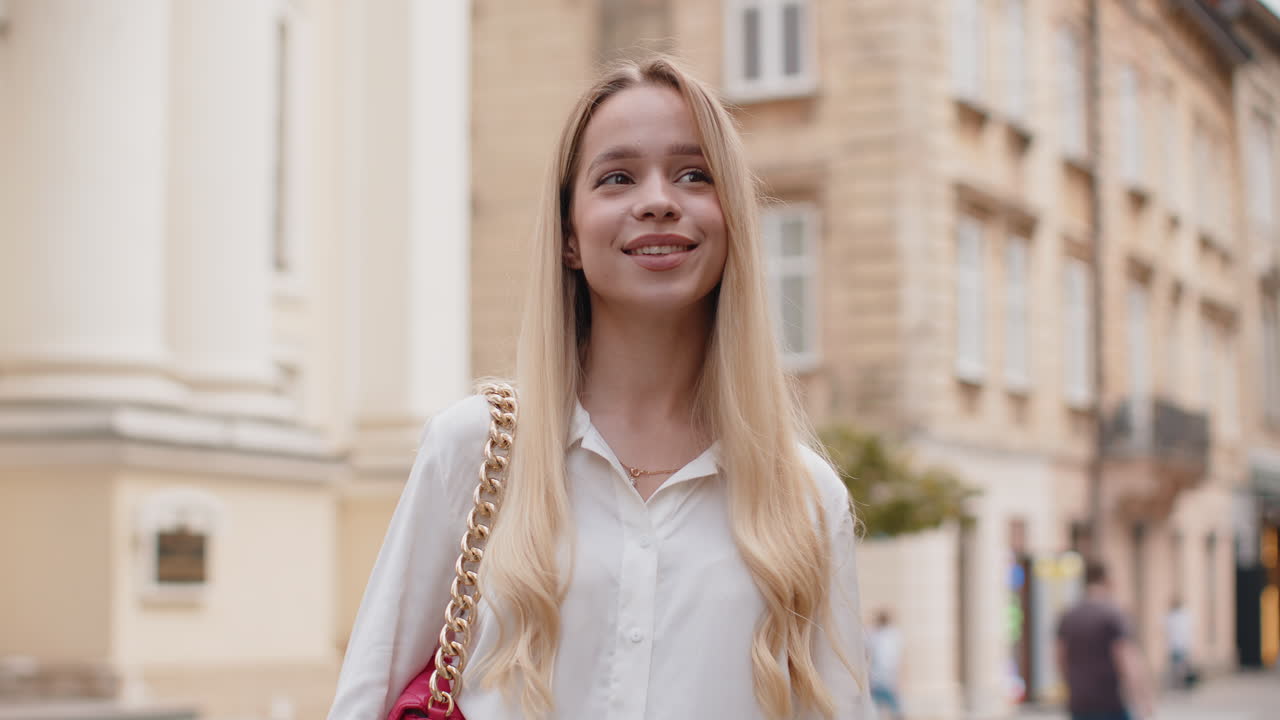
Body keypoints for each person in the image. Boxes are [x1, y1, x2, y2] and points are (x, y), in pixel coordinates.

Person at [327, 55, 870, 720]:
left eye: (694, 175)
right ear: (569, 238)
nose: (658, 200)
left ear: (732, 221)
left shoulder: (808, 500)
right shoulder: (476, 449)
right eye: (617, 177)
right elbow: (364, 696)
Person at [1056, 562, 1155, 720]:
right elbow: (1126, 659)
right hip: (1110, 702)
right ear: (1106, 580)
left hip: (1079, 702)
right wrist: (1142, 699)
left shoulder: (1069, 615)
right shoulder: (1113, 614)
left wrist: (1072, 686)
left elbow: (1060, 658)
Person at [867, 610, 903, 720]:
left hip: (886, 675)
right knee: (879, 704)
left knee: (891, 703)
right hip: (878, 675)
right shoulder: (875, 634)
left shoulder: (892, 634)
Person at [1164, 598, 1194, 690]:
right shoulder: (1175, 616)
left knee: (1179, 667)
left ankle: (1180, 684)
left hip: (1179, 645)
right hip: (1177, 645)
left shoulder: (1179, 616)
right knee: (1178, 667)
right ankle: (1179, 684)